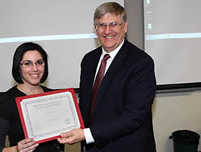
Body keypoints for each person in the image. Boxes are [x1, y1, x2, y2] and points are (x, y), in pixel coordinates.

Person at [58, 2, 157, 152]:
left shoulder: (141, 62)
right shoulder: (88, 60)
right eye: (101, 25)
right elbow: (86, 104)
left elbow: (134, 116)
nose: (107, 31)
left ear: (125, 26)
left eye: (113, 24)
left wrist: (86, 134)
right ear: (96, 29)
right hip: (92, 146)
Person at [0, 42, 63, 152]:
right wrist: (17, 149)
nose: (35, 69)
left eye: (39, 62)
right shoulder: (7, 102)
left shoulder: (54, 97)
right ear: (18, 67)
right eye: (27, 63)